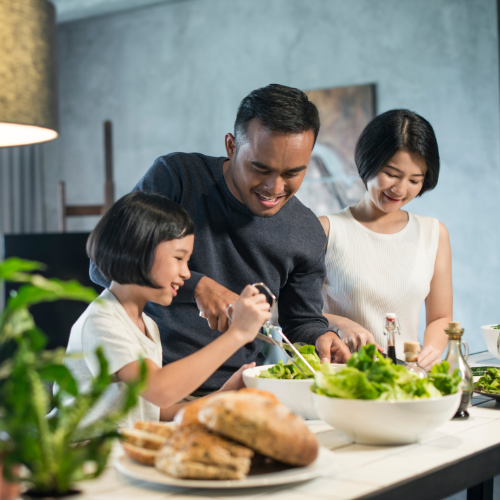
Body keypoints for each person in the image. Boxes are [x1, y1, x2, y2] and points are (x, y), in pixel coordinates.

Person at [90, 84, 351, 396]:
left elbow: (302, 322)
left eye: (293, 173)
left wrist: (321, 337)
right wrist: (198, 286)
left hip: (236, 389)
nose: (274, 187)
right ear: (231, 145)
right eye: (260, 168)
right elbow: (104, 266)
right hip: (146, 387)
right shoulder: (176, 178)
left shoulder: (306, 230)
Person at [67, 192, 271, 426]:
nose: (186, 273)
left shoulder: (147, 325)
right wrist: (238, 334)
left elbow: (158, 411)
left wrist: (225, 394)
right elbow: (160, 390)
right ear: (136, 251)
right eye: (178, 258)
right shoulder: (102, 321)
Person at [319, 109, 452, 369]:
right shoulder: (326, 230)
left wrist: (429, 353)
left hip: (407, 376)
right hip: (343, 379)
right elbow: (291, 314)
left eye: (415, 179)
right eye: (391, 174)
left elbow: (440, 317)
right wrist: (340, 324)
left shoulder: (433, 233)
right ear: (368, 161)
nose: (400, 190)